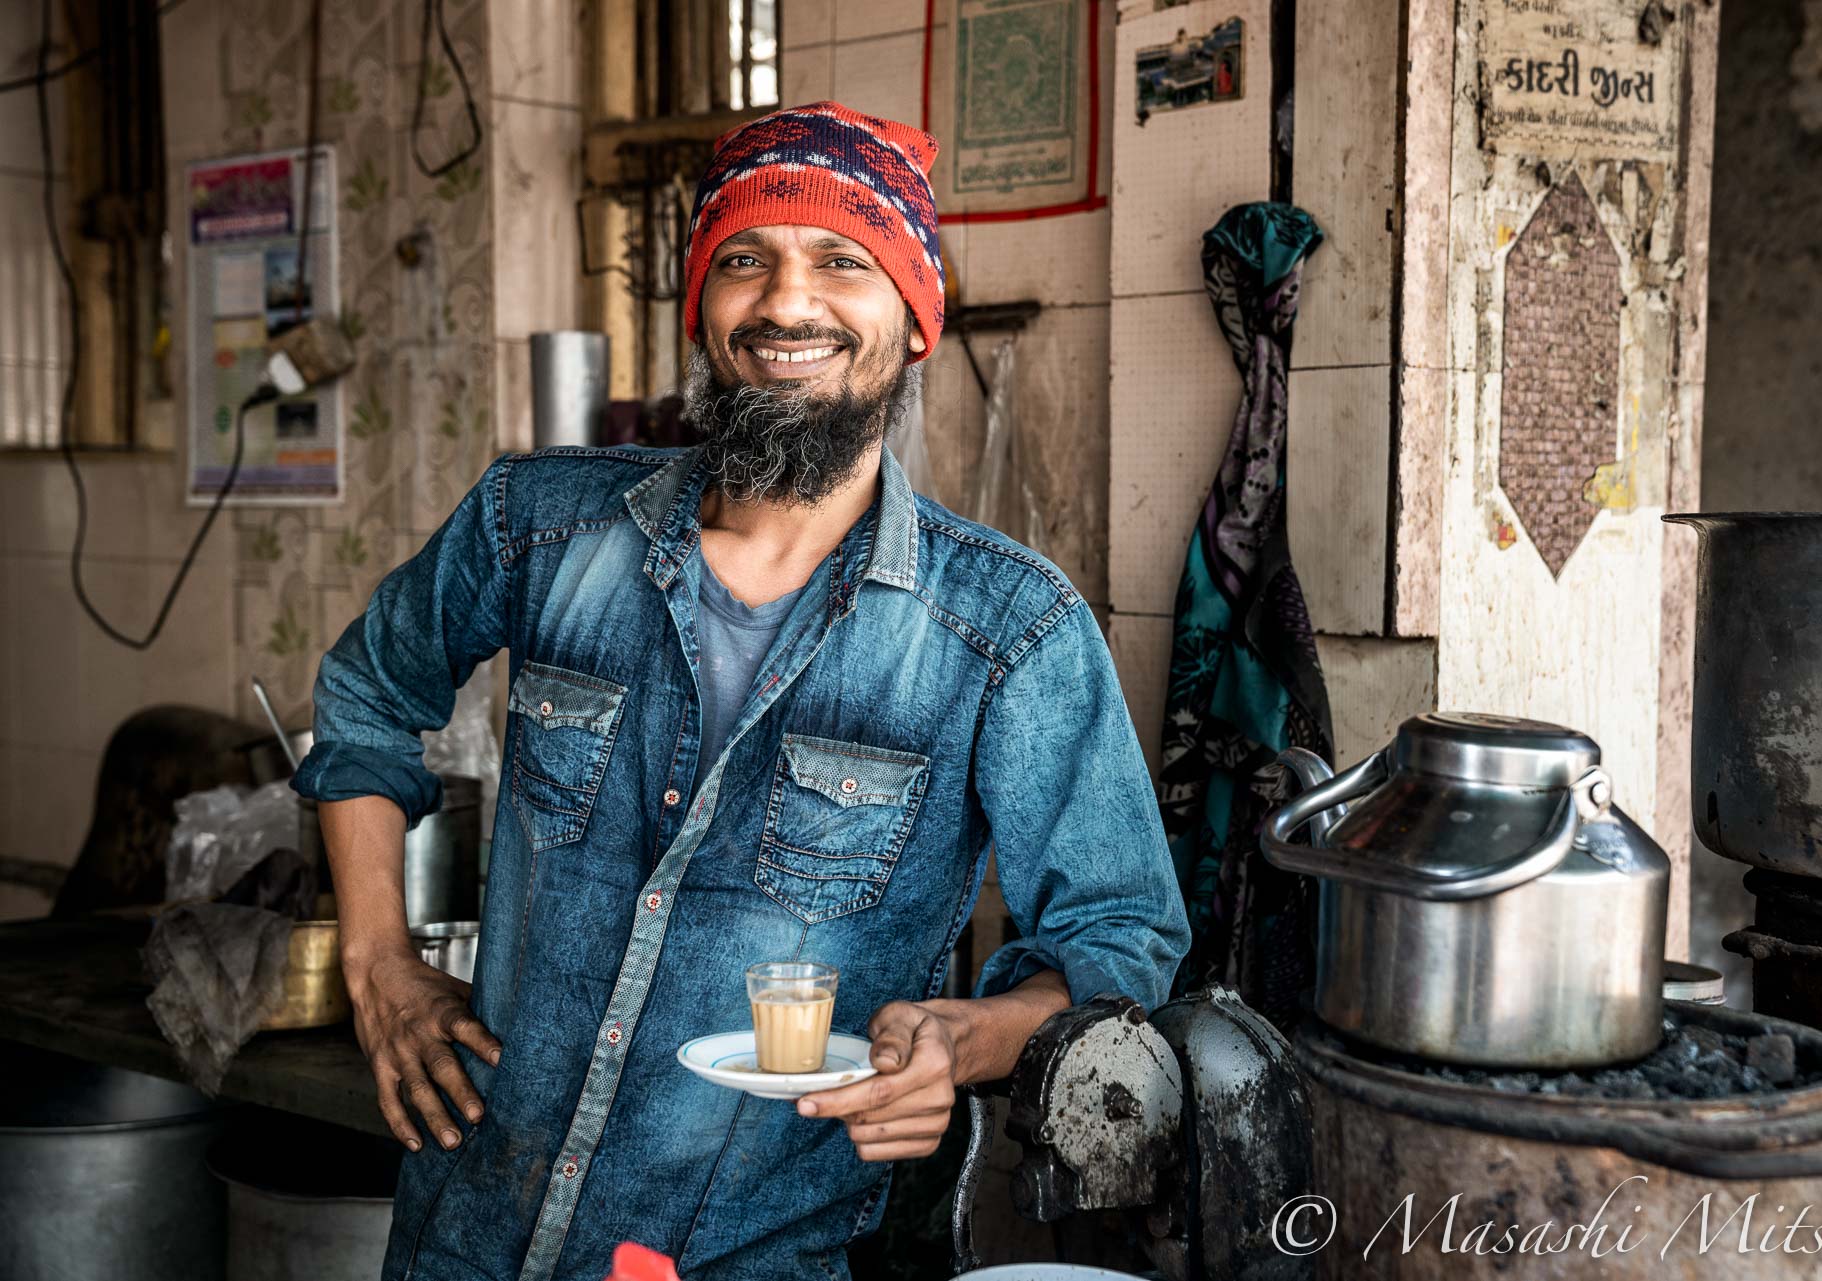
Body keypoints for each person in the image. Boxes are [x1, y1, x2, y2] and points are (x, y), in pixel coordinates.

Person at [293, 101, 1188, 1281]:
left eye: (843, 262)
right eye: (744, 259)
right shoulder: (536, 526)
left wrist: (962, 1041)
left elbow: (1120, 935)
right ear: (702, 305)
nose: (785, 303)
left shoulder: (1006, 630)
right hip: (470, 1230)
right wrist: (376, 964)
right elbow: (365, 694)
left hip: (758, 1252)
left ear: (915, 319)